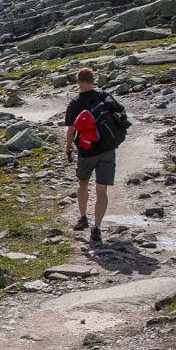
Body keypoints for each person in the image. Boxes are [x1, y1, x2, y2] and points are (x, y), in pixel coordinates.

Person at [64, 67, 119, 244]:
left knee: (83, 183)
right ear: (93, 80)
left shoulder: (75, 102)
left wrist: (68, 147)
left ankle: (82, 217)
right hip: (107, 149)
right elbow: (120, 115)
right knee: (101, 190)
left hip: (86, 150)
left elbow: (71, 130)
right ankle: (97, 228)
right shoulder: (104, 97)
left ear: (78, 81)